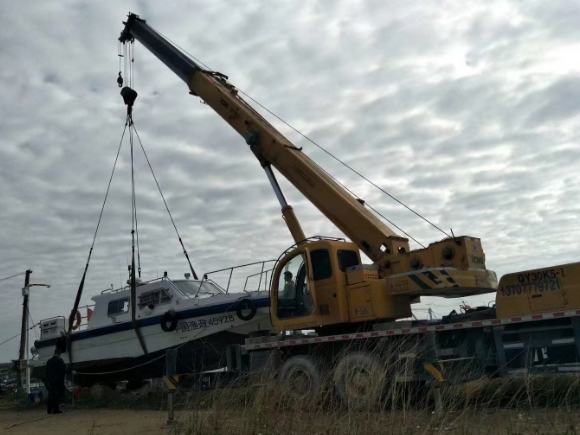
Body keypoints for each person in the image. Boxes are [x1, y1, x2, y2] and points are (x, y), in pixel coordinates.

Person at [45, 349, 66, 414]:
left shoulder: (49, 361)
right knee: (56, 395)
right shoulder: (59, 360)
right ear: (59, 354)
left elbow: (46, 372)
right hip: (57, 381)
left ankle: (49, 410)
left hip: (50, 380)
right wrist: (70, 371)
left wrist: (47, 380)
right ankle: (55, 410)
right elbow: (63, 370)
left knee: (51, 395)